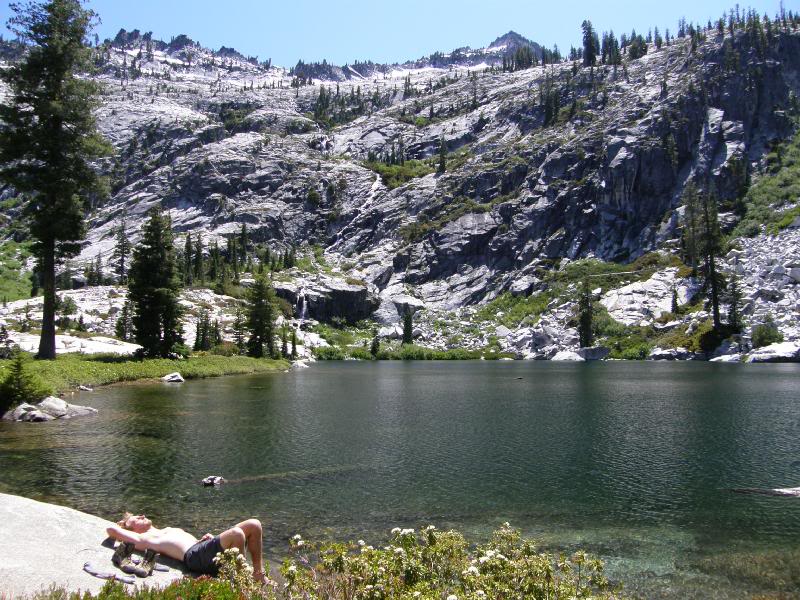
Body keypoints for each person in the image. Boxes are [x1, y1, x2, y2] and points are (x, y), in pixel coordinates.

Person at [106, 513, 268, 583]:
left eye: (141, 515)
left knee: (254, 524)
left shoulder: (164, 530)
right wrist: (122, 525)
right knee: (237, 534)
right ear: (130, 528)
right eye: (136, 518)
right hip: (193, 557)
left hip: (200, 547)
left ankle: (257, 574)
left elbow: (186, 541)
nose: (142, 516)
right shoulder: (142, 538)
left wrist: (205, 540)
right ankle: (243, 581)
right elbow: (111, 531)